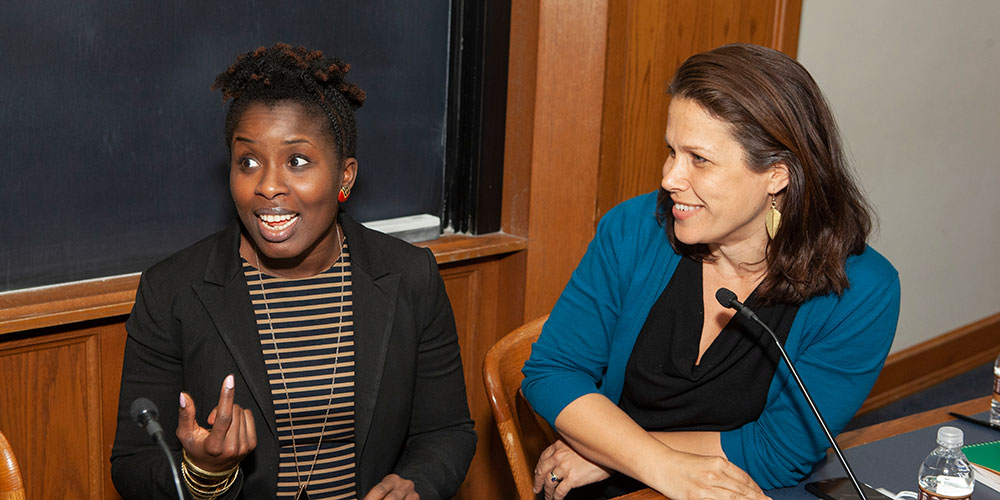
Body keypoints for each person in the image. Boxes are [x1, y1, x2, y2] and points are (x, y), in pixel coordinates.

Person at [521, 43, 900, 500]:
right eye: (672, 151)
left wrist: (612, 453)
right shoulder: (634, 229)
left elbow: (779, 452)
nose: (669, 178)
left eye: (699, 159)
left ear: (777, 174)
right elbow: (553, 372)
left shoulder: (862, 291)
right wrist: (656, 464)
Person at [110, 43, 476, 500]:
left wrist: (416, 485)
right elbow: (133, 465)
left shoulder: (409, 277)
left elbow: (446, 430)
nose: (267, 186)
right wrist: (204, 471)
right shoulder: (172, 291)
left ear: (345, 176)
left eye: (297, 161)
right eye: (248, 162)